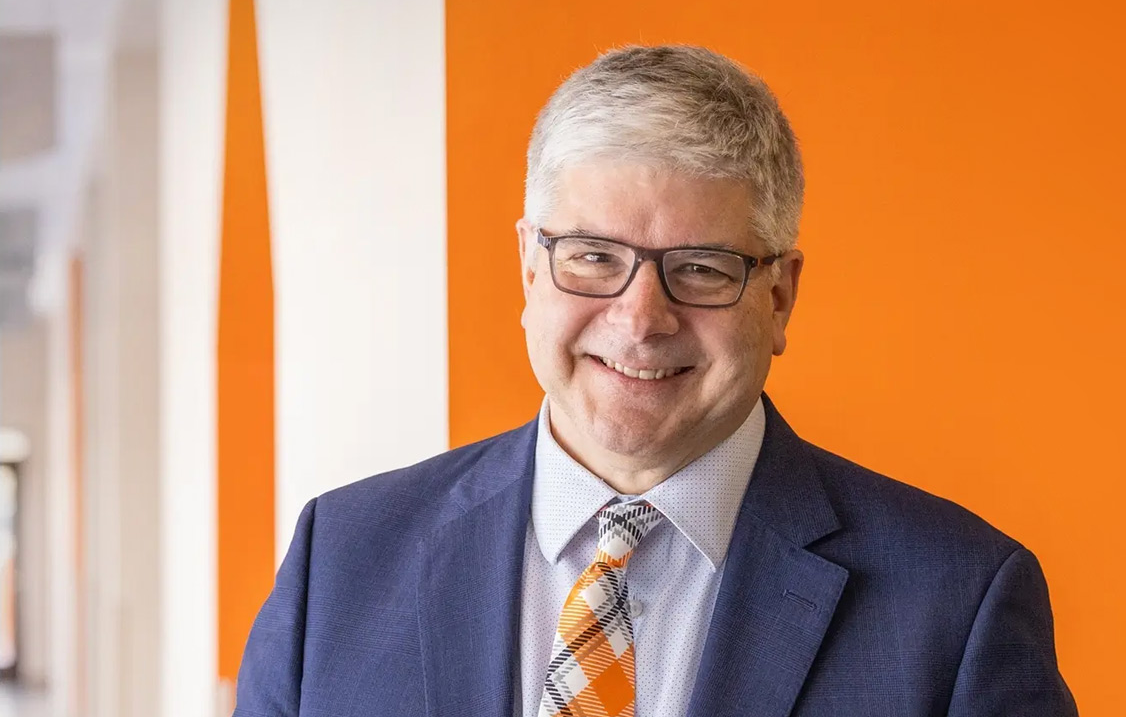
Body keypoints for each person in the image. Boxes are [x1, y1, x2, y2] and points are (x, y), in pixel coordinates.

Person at [234, 45, 1077, 717]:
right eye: (594, 257)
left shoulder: (957, 602)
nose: (641, 318)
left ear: (778, 296)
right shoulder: (340, 564)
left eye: (702, 269)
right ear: (530, 266)